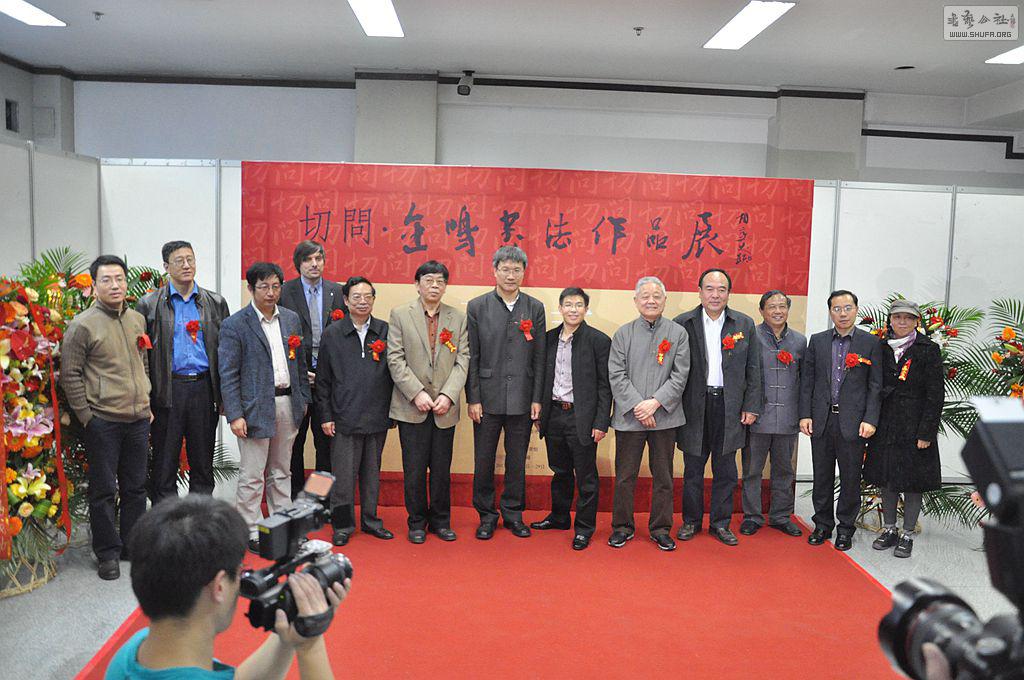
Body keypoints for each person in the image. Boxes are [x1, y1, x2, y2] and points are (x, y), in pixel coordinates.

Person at [104, 495, 350, 680]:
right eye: (241, 572)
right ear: (220, 586)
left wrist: (286, 638)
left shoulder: (135, 651)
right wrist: (310, 644)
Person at [61, 255, 152, 580]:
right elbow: (69, 374)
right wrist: (87, 416)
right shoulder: (82, 325)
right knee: (102, 491)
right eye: (107, 280)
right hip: (103, 421)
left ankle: (132, 546)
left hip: (138, 418)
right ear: (95, 285)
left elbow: (142, 362)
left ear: (126, 282)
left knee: (136, 488)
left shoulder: (137, 319)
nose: (115, 285)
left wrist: (146, 400)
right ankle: (108, 553)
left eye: (119, 279)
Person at [219, 262, 310, 552]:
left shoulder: (291, 319)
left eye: (275, 286)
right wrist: (235, 414)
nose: (271, 293)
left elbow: (300, 364)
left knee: (282, 471)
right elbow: (228, 374)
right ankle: (250, 529)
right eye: (264, 287)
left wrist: (303, 399)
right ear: (250, 288)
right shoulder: (235, 324)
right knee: (252, 474)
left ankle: (281, 525)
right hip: (254, 408)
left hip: (288, 402)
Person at [136, 240, 230, 503]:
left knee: (203, 463)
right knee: (164, 465)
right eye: (179, 261)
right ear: (166, 266)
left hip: (203, 389)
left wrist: (224, 396)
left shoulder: (215, 302)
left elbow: (226, 353)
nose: (187, 265)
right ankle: (167, 523)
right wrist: (146, 397)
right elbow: (141, 356)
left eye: (191, 259)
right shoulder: (148, 304)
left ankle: (200, 521)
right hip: (167, 390)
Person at [674, 268, 762, 547]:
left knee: (726, 470)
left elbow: (754, 368)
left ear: (729, 293)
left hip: (729, 405)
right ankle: (691, 521)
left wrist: (751, 406)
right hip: (694, 406)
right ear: (699, 291)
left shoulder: (744, 324)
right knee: (693, 467)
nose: (715, 295)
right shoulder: (683, 323)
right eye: (709, 289)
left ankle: (720, 523)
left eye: (721, 289)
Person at [466, 246, 546, 540]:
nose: (511, 276)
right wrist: (473, 398)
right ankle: (486, 515)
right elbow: (472, 356)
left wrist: (537, 398)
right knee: (483, 460)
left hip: (523, 397)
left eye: (516, 270)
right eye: (505, 269)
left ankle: (513, 514)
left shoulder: (534, 307)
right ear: (494, 271)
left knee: (517, 460)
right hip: (486, 399)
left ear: (524, 273)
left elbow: (540, 357)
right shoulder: (477, 306)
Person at [386, 261, 470, 544]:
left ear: (446, 286)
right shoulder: (400, 314)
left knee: (441, 469)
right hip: (412, 406)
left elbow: (463, 360)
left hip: (445, 407)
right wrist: (417, 393)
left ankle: (441, 521)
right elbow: (395, 358)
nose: (435, 286)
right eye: (429, 280)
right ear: (417, 284)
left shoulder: (458, 318)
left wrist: (448, 395)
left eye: (440, 281)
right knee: (414, 469)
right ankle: (417, 522)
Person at [608, 277, 690, 551]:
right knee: (625, 476)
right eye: (645, 296)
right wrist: (638, 406)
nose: (651, 301)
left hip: (664, 417)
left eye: (657, 296)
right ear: (636, 301)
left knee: (663, 477)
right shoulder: (623, 334)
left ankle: (661, 528)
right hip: (630, 418)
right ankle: (622, 527)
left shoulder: (678, 333)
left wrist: (655, 403)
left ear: (665, 300)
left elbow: (680, 375)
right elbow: (616, 374)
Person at [799, 289, 883, 551]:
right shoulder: (818, 341)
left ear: (856, 310)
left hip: (854, 423)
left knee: (850, 479)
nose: (843, 313)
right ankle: (822, 525)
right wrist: (805, 414)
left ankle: (845, 528)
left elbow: (875, 386)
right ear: (830, 312)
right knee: (821, 476)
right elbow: (808, 381)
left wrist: (870, 419)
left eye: (848, 308)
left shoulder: (870, 343)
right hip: (821, 420)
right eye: (837, 309)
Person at [315, 276, 394, 546]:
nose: (362, 301)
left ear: (374, 299)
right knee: (343, 477)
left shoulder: (385, 330)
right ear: (346, 301)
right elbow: (323, 380)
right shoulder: (332, 333)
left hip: (377, 415)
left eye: (367, 296)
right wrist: (326, 416)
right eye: (356, 297)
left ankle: (371, 521)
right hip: (343, 417)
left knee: (372, 474)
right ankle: (342, 525)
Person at [533, 287, 612, 550]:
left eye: (579, 305)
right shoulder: (548, 338)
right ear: (560, 308)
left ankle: (584, 529)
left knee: (586, 476)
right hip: (554, 413)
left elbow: (605, 386)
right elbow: (541, 377)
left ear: (586, 309)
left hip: (582, 417)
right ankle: (559, 517)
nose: (573, 309)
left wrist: (601, 422)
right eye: (568, 304)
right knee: (560, 470)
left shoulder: (598, 340)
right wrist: (540, 410)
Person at [864, 300, 943, 558]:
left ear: (916, 321)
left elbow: (935, 395)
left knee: (912, 483)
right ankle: (889, 529)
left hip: (914, 427)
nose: (902, 322)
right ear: (890, 320)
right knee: (887, 480)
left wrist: (926, 433)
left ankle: (907, 534)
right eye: (897, 317)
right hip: (886, 425)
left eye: (908, 318)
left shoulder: (928, 349)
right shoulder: (881, 347)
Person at [279, 240, 347, 498]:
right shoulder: (285, 292)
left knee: (325, 444)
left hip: (327, 382)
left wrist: (326, 374)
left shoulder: (337, 292)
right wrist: (298, 371)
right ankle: (295, 497)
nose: (314, 264)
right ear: (298, 264)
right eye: (308, 259)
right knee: (293, 444)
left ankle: (319, 498)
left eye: (319, 258)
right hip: (295, 380)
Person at [740, 290, 806, 537]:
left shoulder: (800, 341)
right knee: (752, 470)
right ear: (761, 311)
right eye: (772, 307)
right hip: (757, 417)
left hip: (788, 417)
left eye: (782, 306)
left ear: (788, 309)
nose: (778, 311)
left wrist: (803, 414)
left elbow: (805, 381)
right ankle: (752, 516)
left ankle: (781, 516)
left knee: (784, 471)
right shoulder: (751, 336)